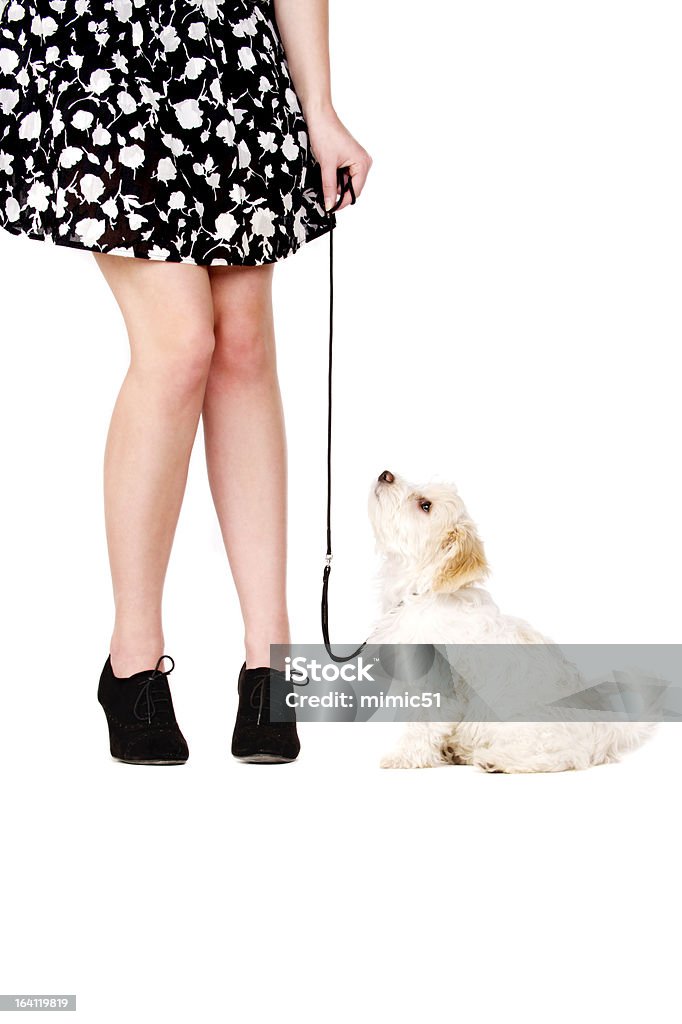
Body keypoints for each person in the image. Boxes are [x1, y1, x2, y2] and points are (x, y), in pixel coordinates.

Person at [0, 0, 372, 765]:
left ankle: (270, 662)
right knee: (177, 343)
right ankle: (132, 661)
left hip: (225, 45)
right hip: (94, 42)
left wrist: (320, 109)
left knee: (241, 343)